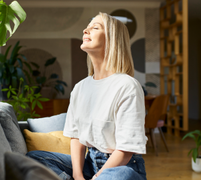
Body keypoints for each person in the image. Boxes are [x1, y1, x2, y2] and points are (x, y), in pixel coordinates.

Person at [27, 12, 147, 180]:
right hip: (89, 164)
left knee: (123, 175)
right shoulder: (80, 87)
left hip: (120, 166)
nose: (85, 30)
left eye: (95, 27)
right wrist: (78, 176)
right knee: (34, 158)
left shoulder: (127, 86)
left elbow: (126, 151)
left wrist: (97, 177)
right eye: (87, 27)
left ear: (112, 40)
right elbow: (76, 137)